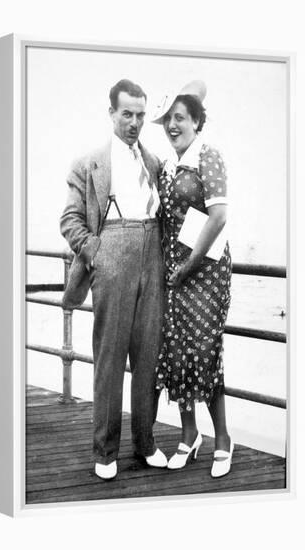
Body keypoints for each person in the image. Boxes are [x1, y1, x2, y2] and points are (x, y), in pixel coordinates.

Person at [60, 79, 167, 480]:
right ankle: (105, 450)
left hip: (151, 253)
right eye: (127, 114)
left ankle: (145, 442)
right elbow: (69, 220)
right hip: (112, 254)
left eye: (140, 115)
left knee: (148, 356)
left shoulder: (153, 163)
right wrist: (97, 252)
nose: (135, 122)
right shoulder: (88, 164)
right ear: (111, 114)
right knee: (109, 358)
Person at [152, 80, 233, 477]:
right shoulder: (167, 165)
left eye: (180, 118)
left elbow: (218, 217)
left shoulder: (208, 156)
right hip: (174, 272)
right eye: (168, 119)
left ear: (197, 122)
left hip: (206, 272)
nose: (172, 125)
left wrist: (189, 265)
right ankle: (189, 434)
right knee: (176, 350)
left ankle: (223, 440)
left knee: (204, 350)